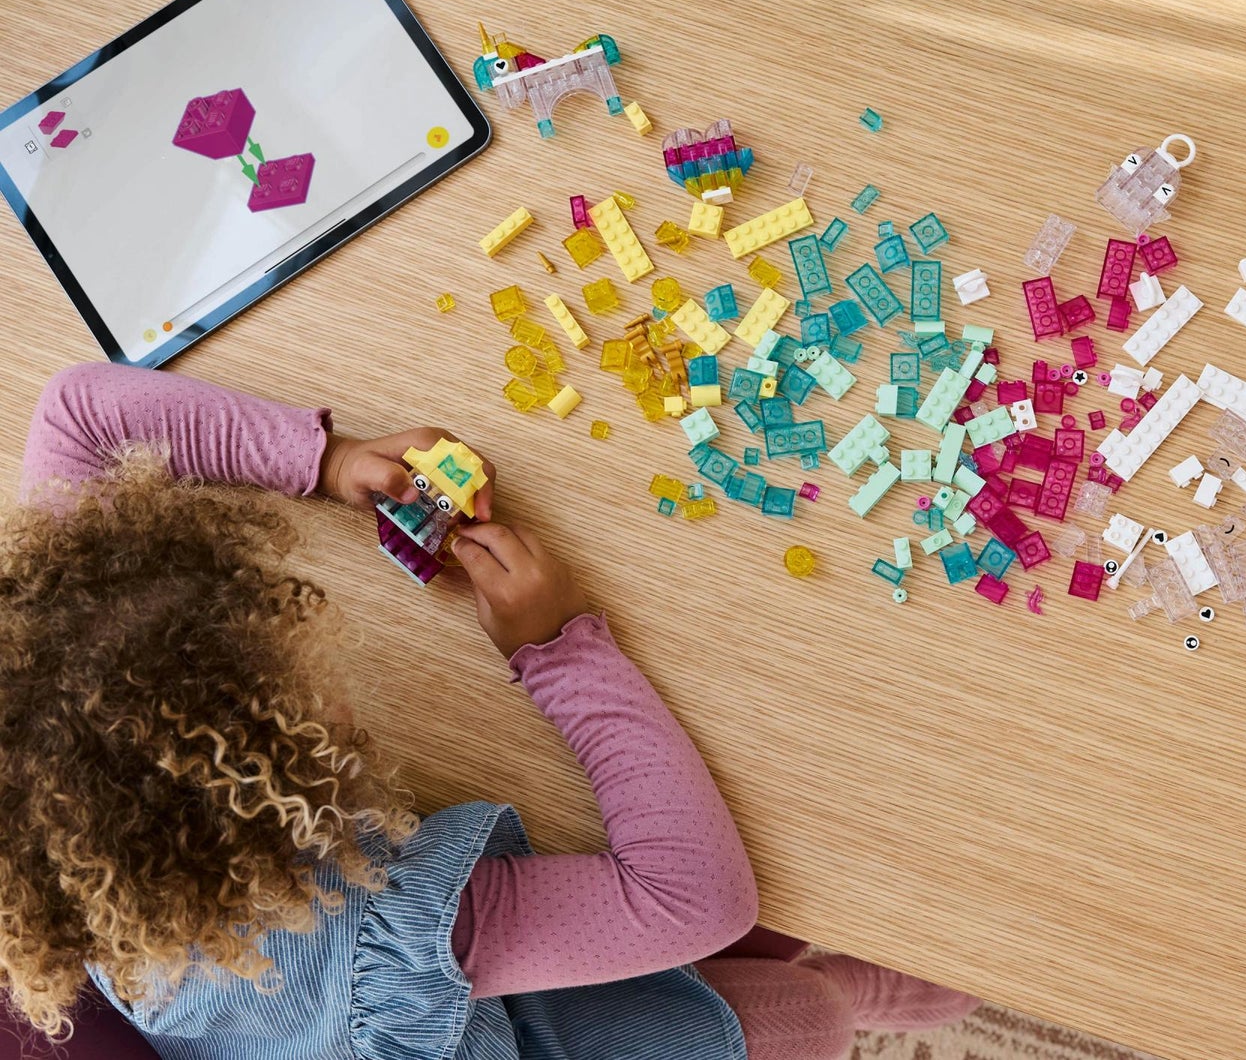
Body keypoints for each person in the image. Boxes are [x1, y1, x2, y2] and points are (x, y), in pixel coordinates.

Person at [0, 363, 978, 1058]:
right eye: (292, 690)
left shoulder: (47, 678)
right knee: (803, 1010)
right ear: (250, 789)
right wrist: (559, 651)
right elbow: (693, 898)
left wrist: (331, 460)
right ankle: (896, 992)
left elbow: (81, 412)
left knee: (783, 922)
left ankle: (917, 973)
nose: (325, 670)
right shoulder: (358, 931)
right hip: (466, 1029)